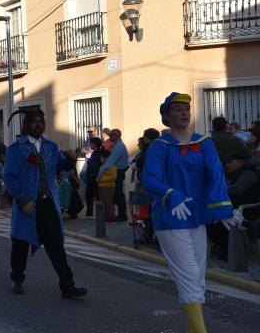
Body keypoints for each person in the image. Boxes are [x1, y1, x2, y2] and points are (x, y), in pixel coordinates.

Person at [143, 92, 235, 333]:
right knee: (189, 275)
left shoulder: (204, 143)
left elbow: (216, 175)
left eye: (187, 108)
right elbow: (150, 179)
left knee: (198, 278)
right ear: (166, 115)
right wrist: (171, 195)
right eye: (178, 109)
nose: (184, 112)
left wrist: (222, 207)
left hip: (197, 217)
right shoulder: (159, 147)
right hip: (170, 219)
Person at [4, 108, 87, 298]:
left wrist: (70, 160)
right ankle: (17, 278)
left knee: (56, 245)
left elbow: (61, 167)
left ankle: (67, 285)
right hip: (27, 205)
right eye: (34, 121)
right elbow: (9, 177)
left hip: (48, 203)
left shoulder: (51, 146)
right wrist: (23, 199)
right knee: (20, 244)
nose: (38, 125)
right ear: (27, 125)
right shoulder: (16, 149)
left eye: (41, 121)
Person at [96, 129, 129, 223]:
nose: (110, 137)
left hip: (118, 172)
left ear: (117, 135)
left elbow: (110, 161)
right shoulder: (117, 145)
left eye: (111, 135)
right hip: (118, 171)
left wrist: (100, 173)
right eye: (109, 135)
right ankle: (119, 215)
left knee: (118, 194)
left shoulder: (118, 147)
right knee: (116, 195)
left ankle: (122, 216)